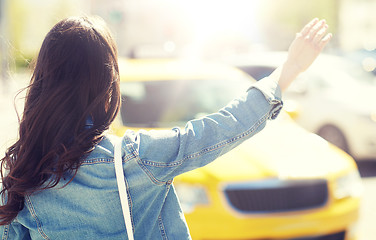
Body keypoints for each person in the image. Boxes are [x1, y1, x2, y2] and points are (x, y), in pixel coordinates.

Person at [0, 16, 331, 239]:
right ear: (107, 83)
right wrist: (289, 69)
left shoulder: (22, 175)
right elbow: (224, 127)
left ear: (42, 79)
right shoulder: (134, 159)